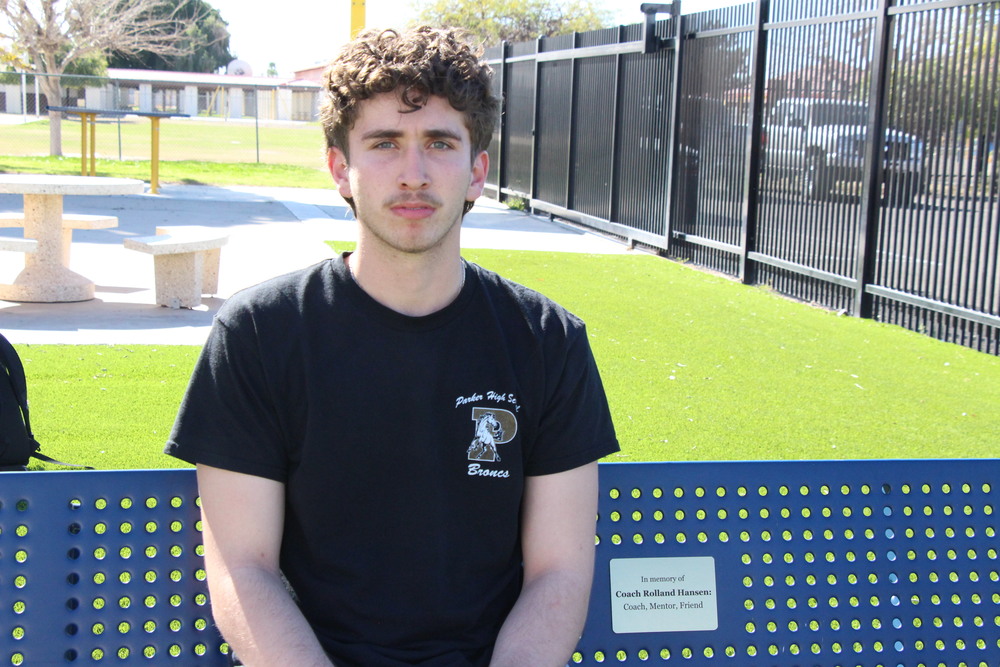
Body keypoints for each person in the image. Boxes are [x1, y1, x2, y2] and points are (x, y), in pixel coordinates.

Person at [166, 25, 619, 667]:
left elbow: (559, 572)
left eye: (440, 143)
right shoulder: (260, 334)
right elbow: (244, 569)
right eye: (384, 144)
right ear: (340, 170)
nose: (413, 174)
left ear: (477, 172)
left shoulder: (548, 341)